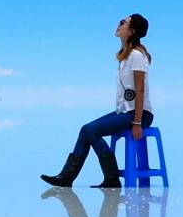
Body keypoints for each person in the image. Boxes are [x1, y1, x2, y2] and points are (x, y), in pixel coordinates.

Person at [40, 13, 152, 189]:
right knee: (86, 130)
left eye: (123, 22)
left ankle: (111, 178)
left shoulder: (137, 55)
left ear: (131, 31)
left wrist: (137, 122)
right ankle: (68, 177)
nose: (119, 24)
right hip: (125, 111)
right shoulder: (126, 55)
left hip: (139, 114)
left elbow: (140, 90)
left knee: (90, 130)